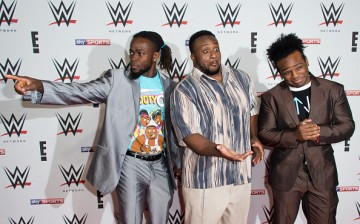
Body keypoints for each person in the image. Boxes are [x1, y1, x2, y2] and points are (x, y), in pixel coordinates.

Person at [6, 31, 181, 224]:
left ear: (155, 56)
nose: (134, 58)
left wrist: (179, 162)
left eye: (140, 53)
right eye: (131, 53)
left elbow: (173, 129)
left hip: (161, 166)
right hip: (130, 164)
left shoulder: (170, 86)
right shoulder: (117, 79)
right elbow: (79, 92)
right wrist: (40, 86)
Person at [258, 33, 355, 224]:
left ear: (307, 61)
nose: (295, 76)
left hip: (322, 174)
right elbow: (265, 134)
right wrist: (295, 135)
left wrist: (318, 132)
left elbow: (347, 126)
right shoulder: (272, 97)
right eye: (287, 72)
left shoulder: (332, 90)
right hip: (285, 176)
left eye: (299, 67)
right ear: (279, 72)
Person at [170, 30, 264, 224]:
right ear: (193, 57)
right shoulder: (185, 90)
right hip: (205, 180)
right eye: (205, 51)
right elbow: (191, 137)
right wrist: (220, 151)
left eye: (216, 49)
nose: (213, 55)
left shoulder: (242, 78)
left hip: (241, 176)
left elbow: (252, 110)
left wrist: (253, 136)